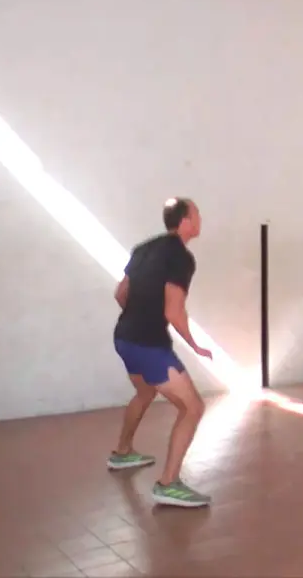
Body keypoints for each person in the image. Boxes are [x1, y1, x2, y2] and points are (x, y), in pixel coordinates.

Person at [106, 197, 215, 507]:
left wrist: (137, 316)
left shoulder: (143, 249)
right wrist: (195, 344)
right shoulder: (181, 257)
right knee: (192, 408)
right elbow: (173, 311)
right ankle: (168, 484)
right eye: (196, 213)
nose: (200, 218)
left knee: (144, 392)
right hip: (148, 345)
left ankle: (122, 453)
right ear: (185, 221)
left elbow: (120, 293)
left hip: (124, 337)